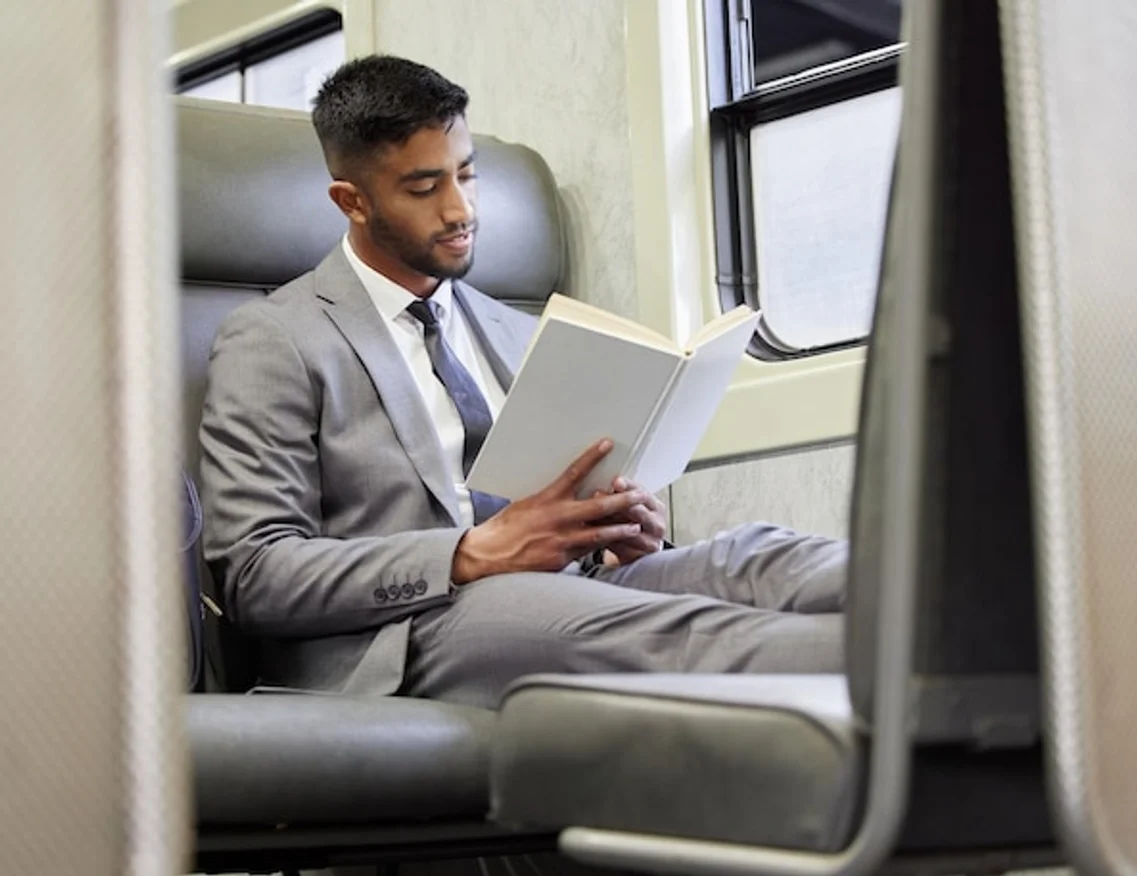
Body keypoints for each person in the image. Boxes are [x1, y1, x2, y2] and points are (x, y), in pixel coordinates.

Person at [199, 55, 847, 711]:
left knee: (756, 558)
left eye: (467, 173)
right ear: (352, 201)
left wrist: (612, 532)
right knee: (687, 632)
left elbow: (561, 525)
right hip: (414, 627)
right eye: (424, 189)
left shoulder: (517, 330)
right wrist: (469, 554)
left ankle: (942, 610)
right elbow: (257, 575)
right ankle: (906, 667)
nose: (460, 209)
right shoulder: (274, 338)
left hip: (575, 584)